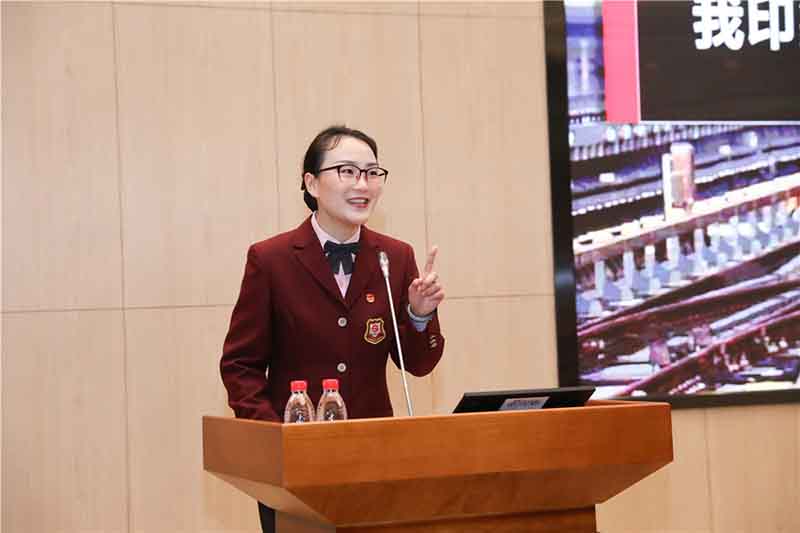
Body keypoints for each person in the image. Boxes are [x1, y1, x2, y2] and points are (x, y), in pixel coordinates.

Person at [219, 125, 446, 533]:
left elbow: (417, 364)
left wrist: (418, 314)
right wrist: (275, 440)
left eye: (372, 173)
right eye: (347, 171)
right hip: (294, 468)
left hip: (376, 458)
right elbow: (240, 365)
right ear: (311, 183)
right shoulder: (270, 259)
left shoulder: (394, 256)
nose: (363, 184)